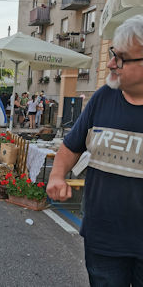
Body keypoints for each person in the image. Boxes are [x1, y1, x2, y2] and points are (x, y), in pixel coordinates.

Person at [47, 15, 143, 286]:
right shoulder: (103, 98)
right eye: (113, 54)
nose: (111, 63)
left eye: (121, 58)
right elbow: (70, 147)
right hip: (103, 240)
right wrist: (56, 176)